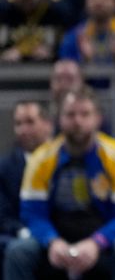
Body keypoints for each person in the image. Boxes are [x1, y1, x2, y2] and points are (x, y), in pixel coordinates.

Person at [4, 88, 115, 280]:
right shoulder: (41, 159)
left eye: (85, 114)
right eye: (70, 114)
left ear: (98, 118)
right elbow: (32, 214)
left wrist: (97, 242)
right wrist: (52, 241)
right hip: (57, 236)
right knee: (18, 250)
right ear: (59, 120)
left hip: (104, 237)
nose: (77, 121)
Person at [0, 101, 53, 263]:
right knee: (18, 249)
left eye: (30, 122)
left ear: (48, 125)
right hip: (23, 235)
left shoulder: (66, 159)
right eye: (18, 124)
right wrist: (25, 232)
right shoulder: (5, 167)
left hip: (65, 235)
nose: (23, 130)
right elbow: (3, 216)